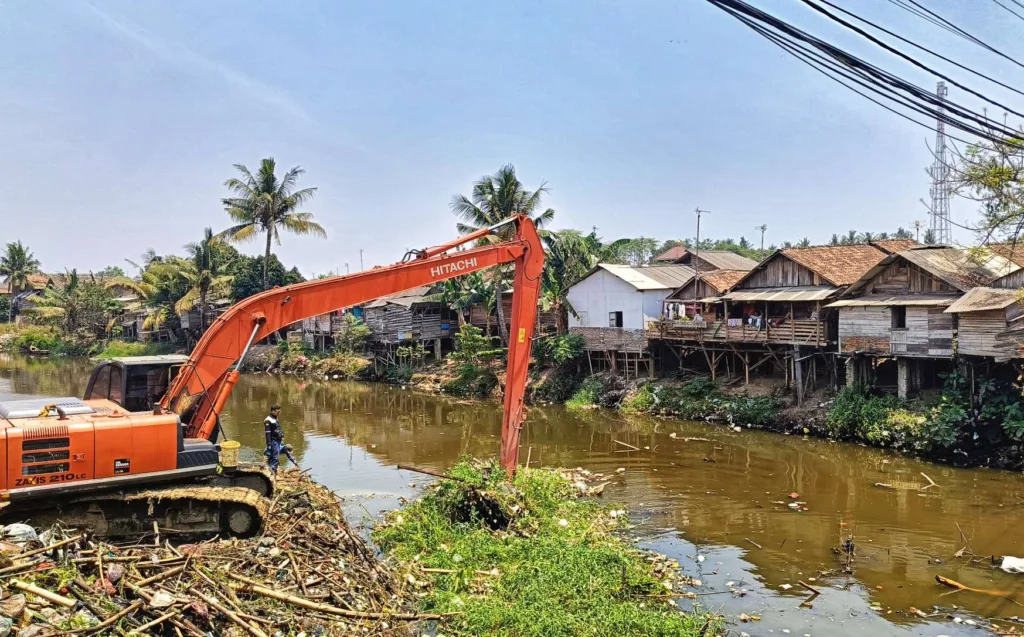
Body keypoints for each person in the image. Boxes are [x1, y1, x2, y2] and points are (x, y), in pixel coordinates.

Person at [263, 404, 285, 475]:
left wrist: (281, 438)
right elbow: (268, 433)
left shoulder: (275, 418)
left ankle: (273, 472)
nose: (278, 413)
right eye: (277, 411)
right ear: (272, 411)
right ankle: (272, 474)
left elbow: (278, 429)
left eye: (279, 411)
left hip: (278, 441)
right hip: (273, 441)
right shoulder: (268, 420)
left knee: (275, 457)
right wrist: (269, 444)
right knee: (275, 458)